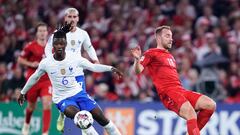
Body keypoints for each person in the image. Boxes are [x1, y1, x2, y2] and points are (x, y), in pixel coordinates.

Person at [18, 28, 122, 135]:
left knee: (104, 120)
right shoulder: (46, 63)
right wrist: (23, 92)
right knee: (82, 120)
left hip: (78, 93)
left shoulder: (74, 57)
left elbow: (93, 67)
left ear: (65, 44)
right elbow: (34, 77)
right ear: (53, 45)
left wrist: (111, 68)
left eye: (61, 43)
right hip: (62, 99)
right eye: (56, 44)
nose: (59, 46)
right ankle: (62, 115)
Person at [130, 26, 216, 135]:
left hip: (180, 90)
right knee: (191, 114)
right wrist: (137, 60)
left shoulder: (170, 56)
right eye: (167, 36)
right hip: (168, 92)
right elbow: (138, 71)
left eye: (171, 36)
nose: (171, 39)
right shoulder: (151, 53)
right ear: (159, 38)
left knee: (210, 105)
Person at [44, 7, 99, 132]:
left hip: (77, 73)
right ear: (65, 18)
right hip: (61, 73)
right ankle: (62, 115)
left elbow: (89, 48)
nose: (72, 19)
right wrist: (50, 61)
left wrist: (95, 59)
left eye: (74, 17)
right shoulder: (58, 33)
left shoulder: (83, 34)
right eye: (69, 17)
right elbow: (47, 48)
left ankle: (85, 131)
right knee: (63, 99)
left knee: (81, 105)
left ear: (78, 18)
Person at [17, 22, 52, 135]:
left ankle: (45, 133)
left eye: (44, 31)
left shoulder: (51, 47)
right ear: (37, 33)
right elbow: (20, 59)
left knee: (47, 103)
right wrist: (31, 64)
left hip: (46, 80)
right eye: (40, 31)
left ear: (47, 33)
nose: (42, 33)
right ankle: (26, 124)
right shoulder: (30, 46)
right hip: (33, 80)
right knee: (31, 106)